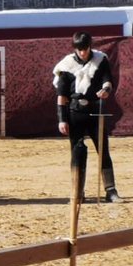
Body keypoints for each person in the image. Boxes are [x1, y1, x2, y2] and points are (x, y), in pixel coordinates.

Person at [54, 32, 120, 201]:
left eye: (85, 48)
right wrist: (62, 119)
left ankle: (111, 191)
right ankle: (78, 191)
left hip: (95, 111)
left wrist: (106, 90)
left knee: (103, 150)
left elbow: (107, 80)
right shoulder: (66, 65)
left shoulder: (100, 59)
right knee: (76, 151)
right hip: (75, 113)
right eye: (79, 49)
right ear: (75, 48)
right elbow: (62, 96)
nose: (82, 52)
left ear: (90, 46)